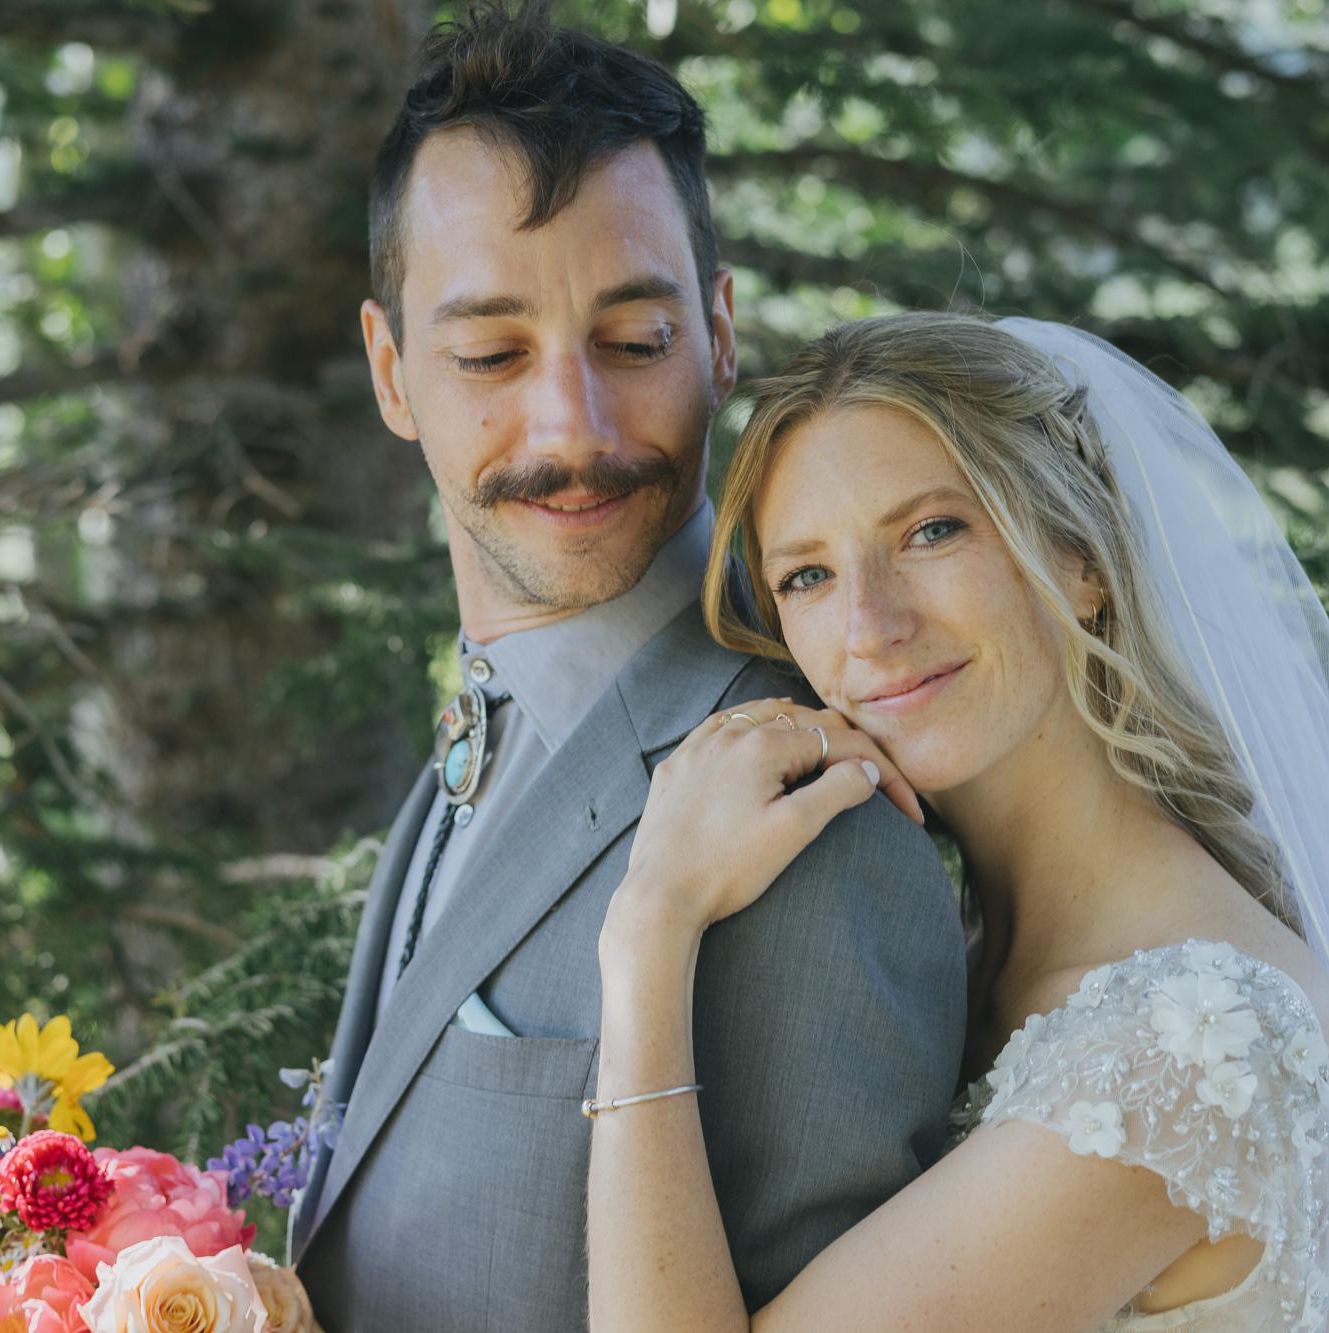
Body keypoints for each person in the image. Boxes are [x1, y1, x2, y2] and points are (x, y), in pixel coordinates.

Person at [587, 311, 1329, 1330]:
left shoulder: (1195, 1041)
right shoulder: (958, 953)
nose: (869, 625)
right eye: (807, 575)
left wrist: (649, 929)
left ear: (1080, 559)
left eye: (929, 531)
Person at [284, 8, 968, 1331]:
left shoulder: (811, 822)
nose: (573, 427)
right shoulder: (488, 720)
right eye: (489, 353)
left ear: (718, 331)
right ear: (392, 369)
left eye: (634, 339)